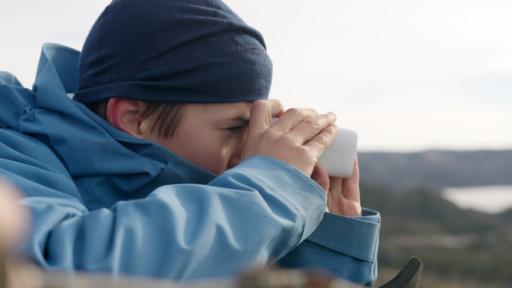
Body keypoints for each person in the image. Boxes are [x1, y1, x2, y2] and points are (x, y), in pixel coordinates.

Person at [0, 0, 380, 286]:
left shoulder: (205, 198)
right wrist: (272, 191)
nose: (248, 154)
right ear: (134, 119)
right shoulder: (13, 151)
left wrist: (329, 241)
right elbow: (49, 269)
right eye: (234, 128)